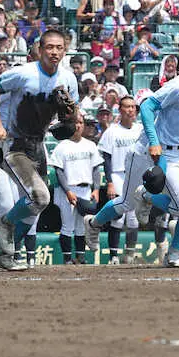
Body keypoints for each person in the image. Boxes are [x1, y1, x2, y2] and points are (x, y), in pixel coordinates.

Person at [90, 39, 179, 268]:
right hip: (158, 150)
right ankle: (96, 223)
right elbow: (146, 106)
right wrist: (154, 141)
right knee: (129, 203)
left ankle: (173, 255)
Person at [0, 30, 79, 270]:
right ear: (40, 48)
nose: (54, 52)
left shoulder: (68, 79)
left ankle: (5, 254)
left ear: (65, 50)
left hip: (39, 145)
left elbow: (72, 115)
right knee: (40, 197)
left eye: (59, 47)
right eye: (49, 47)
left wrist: (69, 116)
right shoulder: (23, 73)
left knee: (34, 209)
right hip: (15, 144)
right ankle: (5, 223)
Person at [95, 95, 144, 264]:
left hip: (136, 174)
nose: (130, 110)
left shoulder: (140, 129)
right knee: (118, 216)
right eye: (126, 107)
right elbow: (106, 158)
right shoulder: (112, 131)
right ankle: (113, 256)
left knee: (133, 218)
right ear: (120, 110)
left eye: (133, 107)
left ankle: (129, 255)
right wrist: (109, 182)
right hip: (118, 174)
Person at [50, 111, 101, 264]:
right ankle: (67, 258)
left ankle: (80, 257)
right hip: (68, 189)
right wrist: (68, 191)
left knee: (81, 227)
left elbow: (96, 169)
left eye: (81, 123)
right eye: (75, 123)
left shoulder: (90, 145)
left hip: (85, 188)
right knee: (67, 225)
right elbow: (58, 171)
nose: (78, 126)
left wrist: (97, 189)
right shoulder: (62, 146)